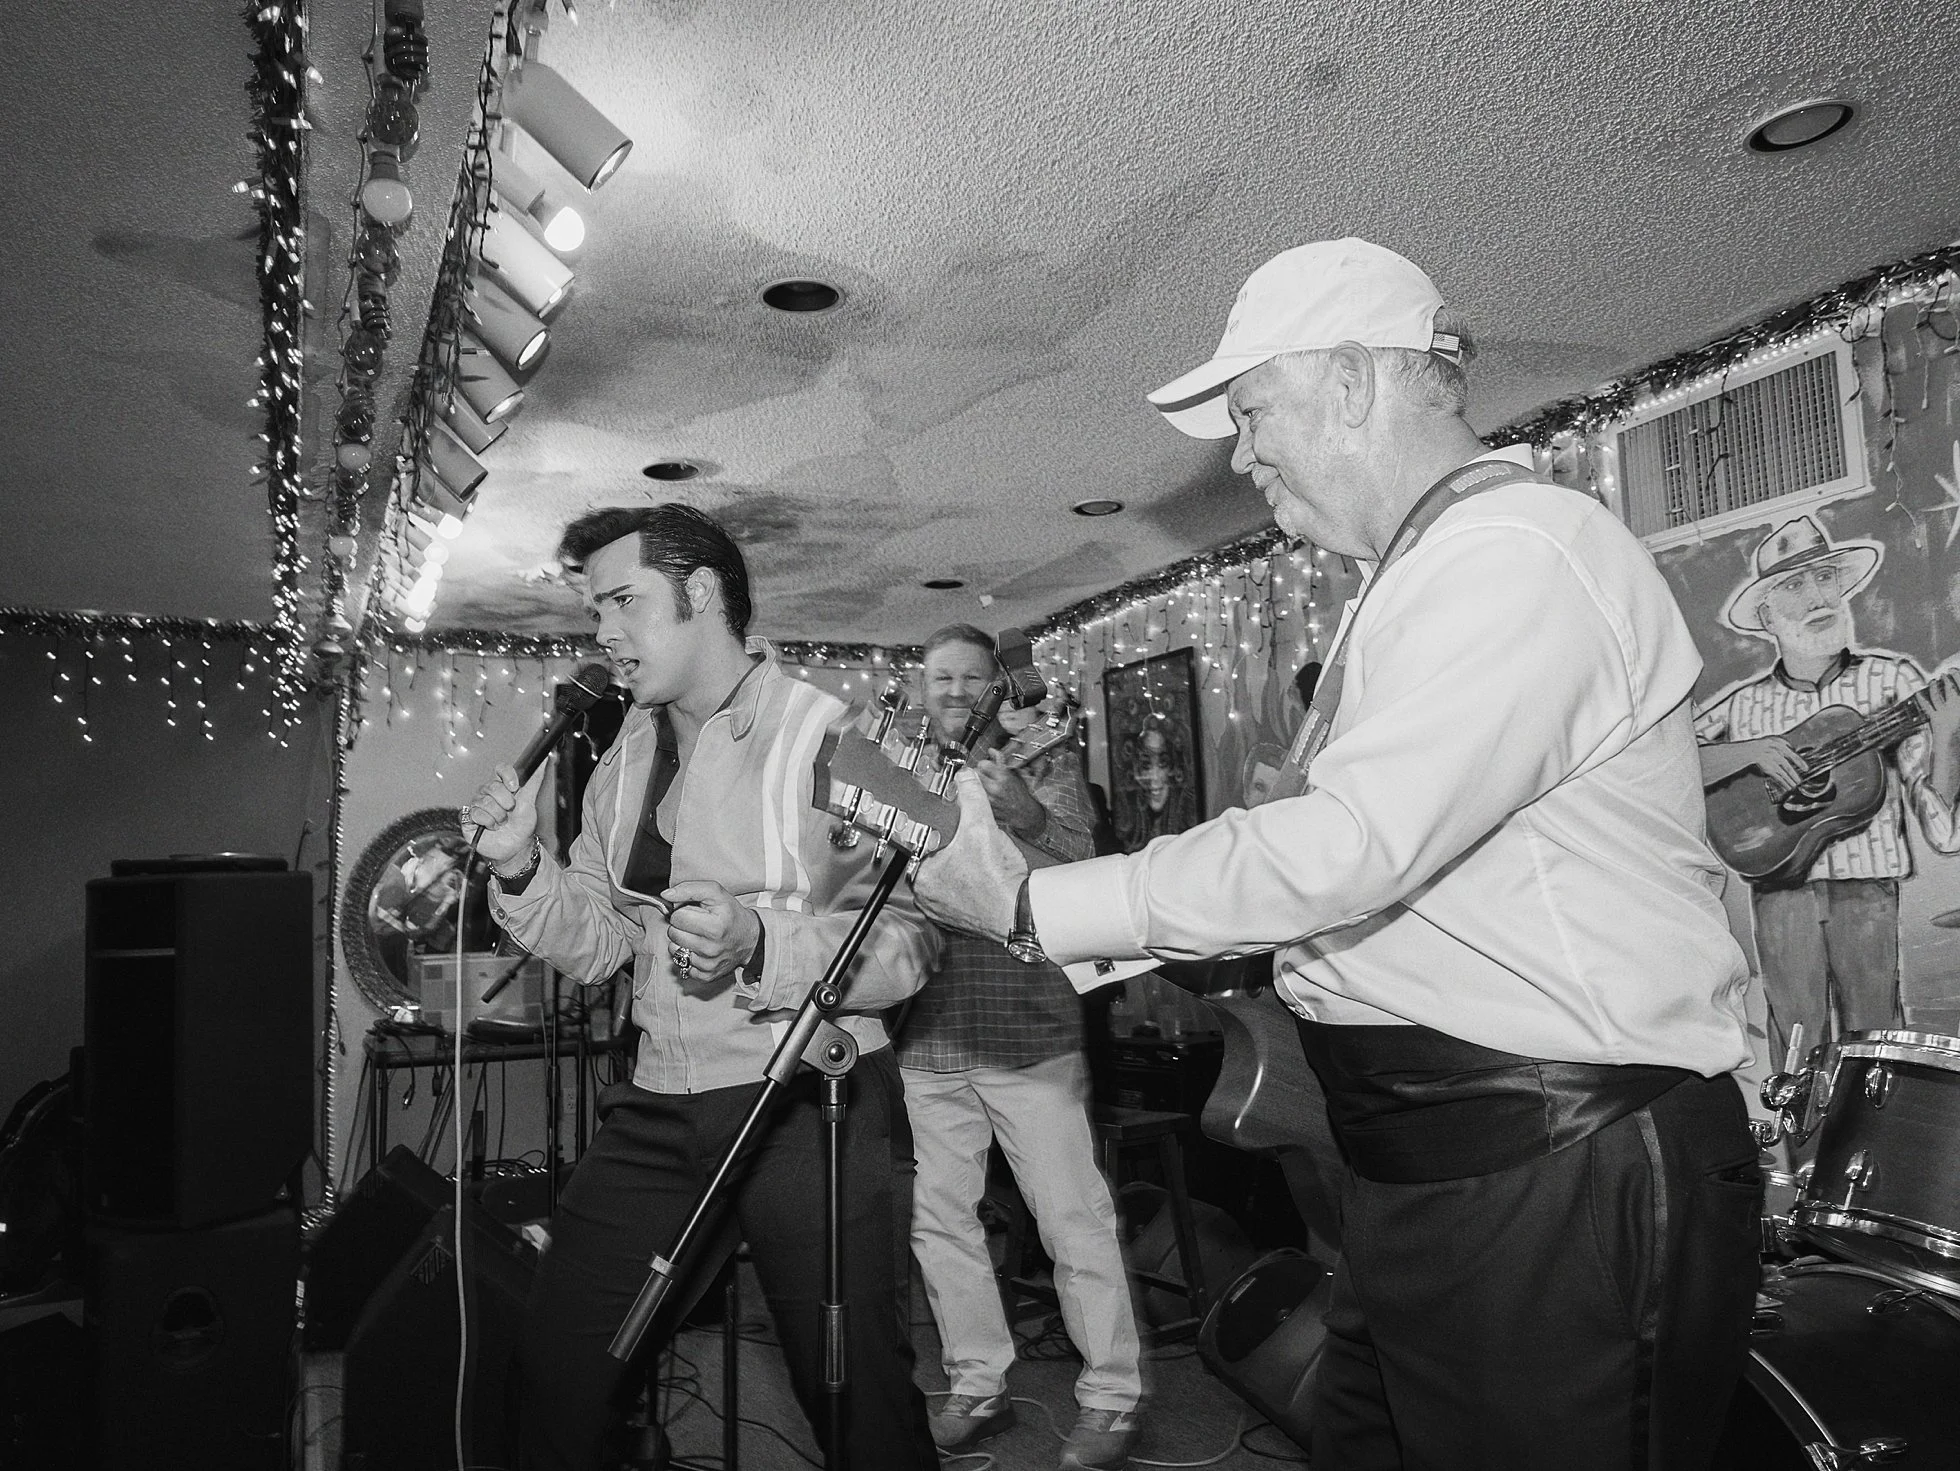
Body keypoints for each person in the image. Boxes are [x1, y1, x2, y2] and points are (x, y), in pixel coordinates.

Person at [913, 238, 1763, 1470]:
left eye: (1253, 412)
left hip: (1557, 1169)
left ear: (1356, 382)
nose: (1242, 454)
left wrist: (1038, 899)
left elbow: (1351, 844)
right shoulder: (1416, 577)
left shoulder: (1515, 549)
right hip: (1430, 1176)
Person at [462, 503, 941, 1471]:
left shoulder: (833, 738)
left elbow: (908, 944)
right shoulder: (620, 759)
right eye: (595, 607)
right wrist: (520, 871)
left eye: (623, 601)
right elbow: (600, 942)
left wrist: (760, 940)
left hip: (809, 1098)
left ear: (704, 595)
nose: (602, 631)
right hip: (661, 1099)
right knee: (559, 1364)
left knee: (854, 1393)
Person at [891, 624, 1144, 1470]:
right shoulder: (906, 769)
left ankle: (1111, 1398)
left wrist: (1028, 814)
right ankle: (977, 1382)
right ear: (920, 687)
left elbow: (1093, 865)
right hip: (931, 1034)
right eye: (940, 677)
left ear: (997, 686)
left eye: (971, 677)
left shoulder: (1043, 758)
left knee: (1071, 1219)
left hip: (1031, 1032)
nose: (956, 690)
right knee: (941, 1222)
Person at [1695, 514, 1960, 1065]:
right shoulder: (1744, 705)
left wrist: (1947, 734)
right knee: (1796, 1043)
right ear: (1766, 614)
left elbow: (1941, 825)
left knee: (1876, 1038)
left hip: (1867, 886)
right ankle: (1804, 1153)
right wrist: (1751, 751)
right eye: (1793, 585)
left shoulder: (1893, 680)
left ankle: (1881, 1153)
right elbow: (1669, 760)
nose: (1816, 597)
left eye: (1825, 579)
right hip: (1777, 886)